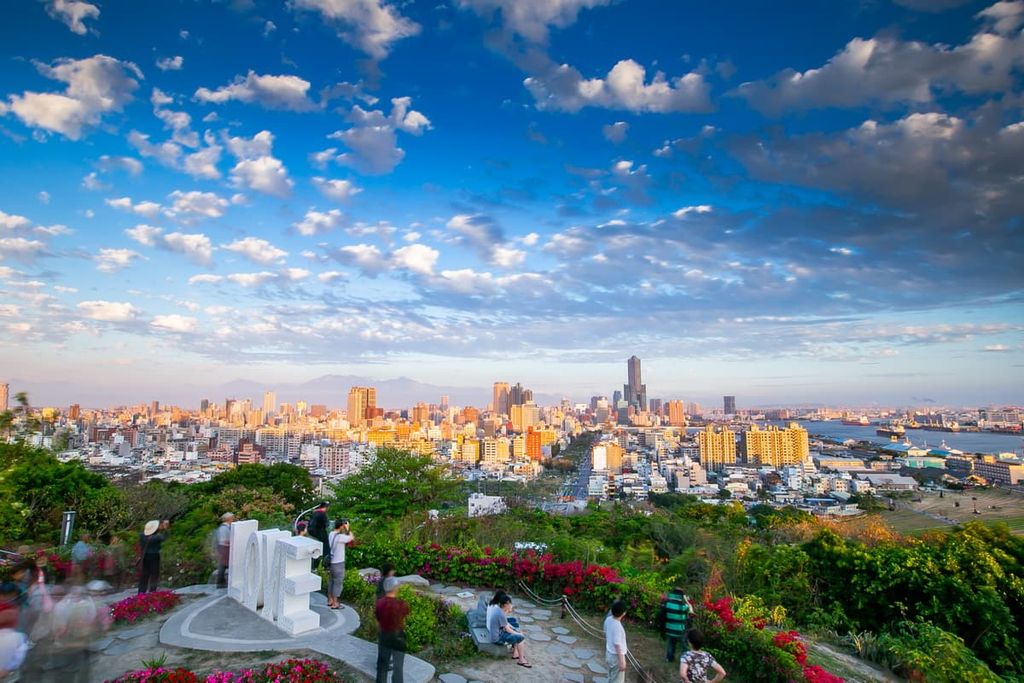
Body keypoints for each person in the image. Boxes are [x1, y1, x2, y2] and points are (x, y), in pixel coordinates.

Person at [375, 577, 409, 683]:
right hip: (398, 637)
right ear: (395, 588)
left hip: (384, 636)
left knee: (382, 667)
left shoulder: (379, 603)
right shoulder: (402, 604)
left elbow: (378, 619)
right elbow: (405, 618)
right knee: (398, 668)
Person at [487, 592, 531, 668]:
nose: (511, 605)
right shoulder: (500, 613)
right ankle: (521, 660)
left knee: (516, 632)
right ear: (505, 605)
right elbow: (507, 629)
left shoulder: (499, 610)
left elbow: (505, 624)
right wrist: (519, 634)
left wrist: (516, 631)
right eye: (510, 604)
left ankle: (516, 654)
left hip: (498, 633)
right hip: (497, 638)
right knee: (521, 638)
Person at [326, 519, 354, 609]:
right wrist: (348, 529)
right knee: (338, 583)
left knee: (331, 582)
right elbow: (351, 537)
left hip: (331, 563)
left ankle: (330, 600)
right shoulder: (341, 537)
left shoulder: (331, 534)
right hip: (338, 564)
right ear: (341, 526)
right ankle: (335, 603)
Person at [661, 587, 693, 662]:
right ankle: (684, 660)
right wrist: (686, 601)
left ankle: (669, 658)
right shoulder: (683, 606)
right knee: (684, 645)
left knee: (671, 643)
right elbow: (690, 609)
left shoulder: (668, 603)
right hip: (680, 629)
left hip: (669, 628)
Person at [138, 520, 168, 594]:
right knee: (154, 574)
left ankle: (141, 593)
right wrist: (165, 528)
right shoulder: (156, 537)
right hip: (154, 556)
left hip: (144, 557)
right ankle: (152, 591)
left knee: (144, 576)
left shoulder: (141, 535)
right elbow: (164, 537)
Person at [604, 599, 628, 683]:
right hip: (616, 657)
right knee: (617, 680)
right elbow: (617, 644)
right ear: (623, 613)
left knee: (611, 677)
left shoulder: (608, 619)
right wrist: (622, 661)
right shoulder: (617, 626)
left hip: (608, 653)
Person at [307, 502, 330, 569]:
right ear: (326, 507)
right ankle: (325, 565)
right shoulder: (322, 514)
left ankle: (314, 566)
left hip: (313, 534)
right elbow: (326, 525)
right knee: (325, 550)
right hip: (321, 534)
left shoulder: (314, 513)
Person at [215, 513, 234, 589]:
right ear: (228, 519)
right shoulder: (224, 528)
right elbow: (224, 540)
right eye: (232, 518)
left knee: (224, 565)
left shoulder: (225, 527)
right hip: (224, 548)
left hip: (224, 548)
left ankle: (222, 582)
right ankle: (220, 582)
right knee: (223, 565)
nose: (233, 520)